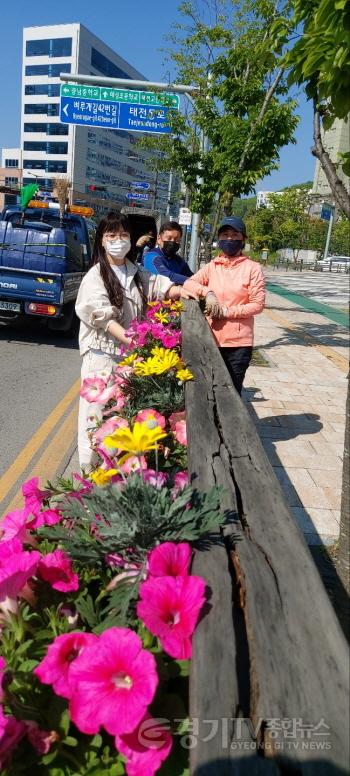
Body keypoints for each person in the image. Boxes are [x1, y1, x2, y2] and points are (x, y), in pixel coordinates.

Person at [75, 211, 195, 470]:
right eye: (111, 235)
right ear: (102, 240)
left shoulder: (135, 272)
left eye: (123, 235)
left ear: (131, 238)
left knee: (120, 417)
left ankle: (114, 473)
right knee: (94, 417)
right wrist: (135, 342)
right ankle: (88, 473)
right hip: (102, 357)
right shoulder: (95, 276)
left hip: (128, 357)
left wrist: (185, 291)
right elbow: (104, 320)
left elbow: (160, 286)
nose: (118, 240)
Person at [183, 216, 265, 395]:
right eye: (225, 234)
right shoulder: (213, 266)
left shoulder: (253, 268)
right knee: (210, 390)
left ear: (243, 239)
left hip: (238, 344)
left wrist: (226, 311)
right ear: (219, 239)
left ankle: (229, 424)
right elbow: (189, 283)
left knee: (231, 392)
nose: (229, 239)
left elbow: (257, 305)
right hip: (211, 339)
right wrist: (208, 293)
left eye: (234, 234)